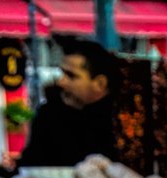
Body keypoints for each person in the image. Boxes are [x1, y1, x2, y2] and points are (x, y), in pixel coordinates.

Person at [18, 38, 120, 168]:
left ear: (100, 84)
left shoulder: (120, 122)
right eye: (62, 73)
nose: (61, 81)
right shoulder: (50, 114)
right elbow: (30, 164)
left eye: (71, 76)